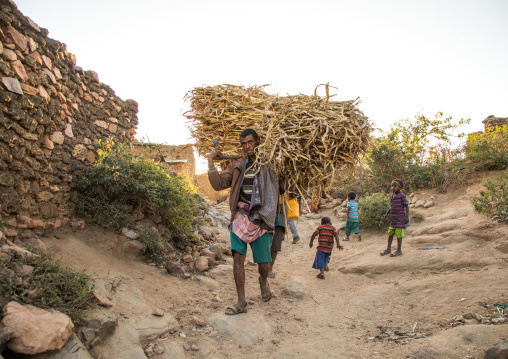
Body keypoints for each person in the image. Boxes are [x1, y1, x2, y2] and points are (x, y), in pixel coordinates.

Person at [208, 129, 279, 315]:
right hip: (240, 216)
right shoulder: (237, 165)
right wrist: (210, 162)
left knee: (263, 264)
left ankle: (263, 280)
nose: (247, 146)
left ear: (258, 141)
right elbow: (218, 184)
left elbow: (283, 186)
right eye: (244, 143)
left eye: (250, 142)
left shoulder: (269, 164)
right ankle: (241, 302)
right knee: (237, 259)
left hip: (261, 218)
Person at [380, 179, 409, 257]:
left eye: (395, 186)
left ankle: (399, 250)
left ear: (400, 187)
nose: (393, 188)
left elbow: (406, 205)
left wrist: (407, 217)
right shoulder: (392, 195)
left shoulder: (402, 195)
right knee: (390, 234)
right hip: (393, 220)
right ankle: (388, 249)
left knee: (399, 235)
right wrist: (387, 213)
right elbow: (392, 206)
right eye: (392, 186)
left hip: (400, 219)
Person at [269, 204, 286, 278]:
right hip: (266, 220)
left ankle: (269, 268)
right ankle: (264, 266)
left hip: (279, 222)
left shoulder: (284, 194)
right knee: (264, 245)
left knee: (275, 246)